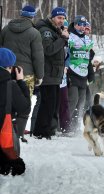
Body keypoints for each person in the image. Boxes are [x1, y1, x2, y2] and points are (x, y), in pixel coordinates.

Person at [0, 5, 44, 142]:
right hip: (26, 72)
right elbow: (38, 56)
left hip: (5, 69)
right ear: (32, 16)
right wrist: (40, 75)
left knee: (5, 101)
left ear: (21, 14)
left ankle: (5, 129)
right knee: (24, 104)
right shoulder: (34, 33)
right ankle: (18, 134)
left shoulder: (6, 29)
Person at [33, 7, 69, 139]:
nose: (62, 20)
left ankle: (46, 129)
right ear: (52, 17)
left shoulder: (55, 30)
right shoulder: (46, 31)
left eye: (63, 18)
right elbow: (48, 50)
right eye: (59, 18)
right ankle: (41, 131)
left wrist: (62, 37)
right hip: (48, 73)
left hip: (55, 74)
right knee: (47, 104)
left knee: (53, 104)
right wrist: (63, 39)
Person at [0, 48, 30, 176]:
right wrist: (21, 82)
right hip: (2, 140)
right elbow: (25, 108)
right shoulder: (9, 85)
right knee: (17, 167)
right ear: (10, 67)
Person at [66, 15, 93, 133]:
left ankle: (74, 127)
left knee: (81, 102)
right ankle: (64, 126)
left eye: (84, 25)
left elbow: (89, 55)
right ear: (75, 24)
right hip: (72, 73)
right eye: (79, 25)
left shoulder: (86, 39)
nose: (82, 28)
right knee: (73, 100)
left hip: (83, 74)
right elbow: (68, 51)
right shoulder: (70, 36)